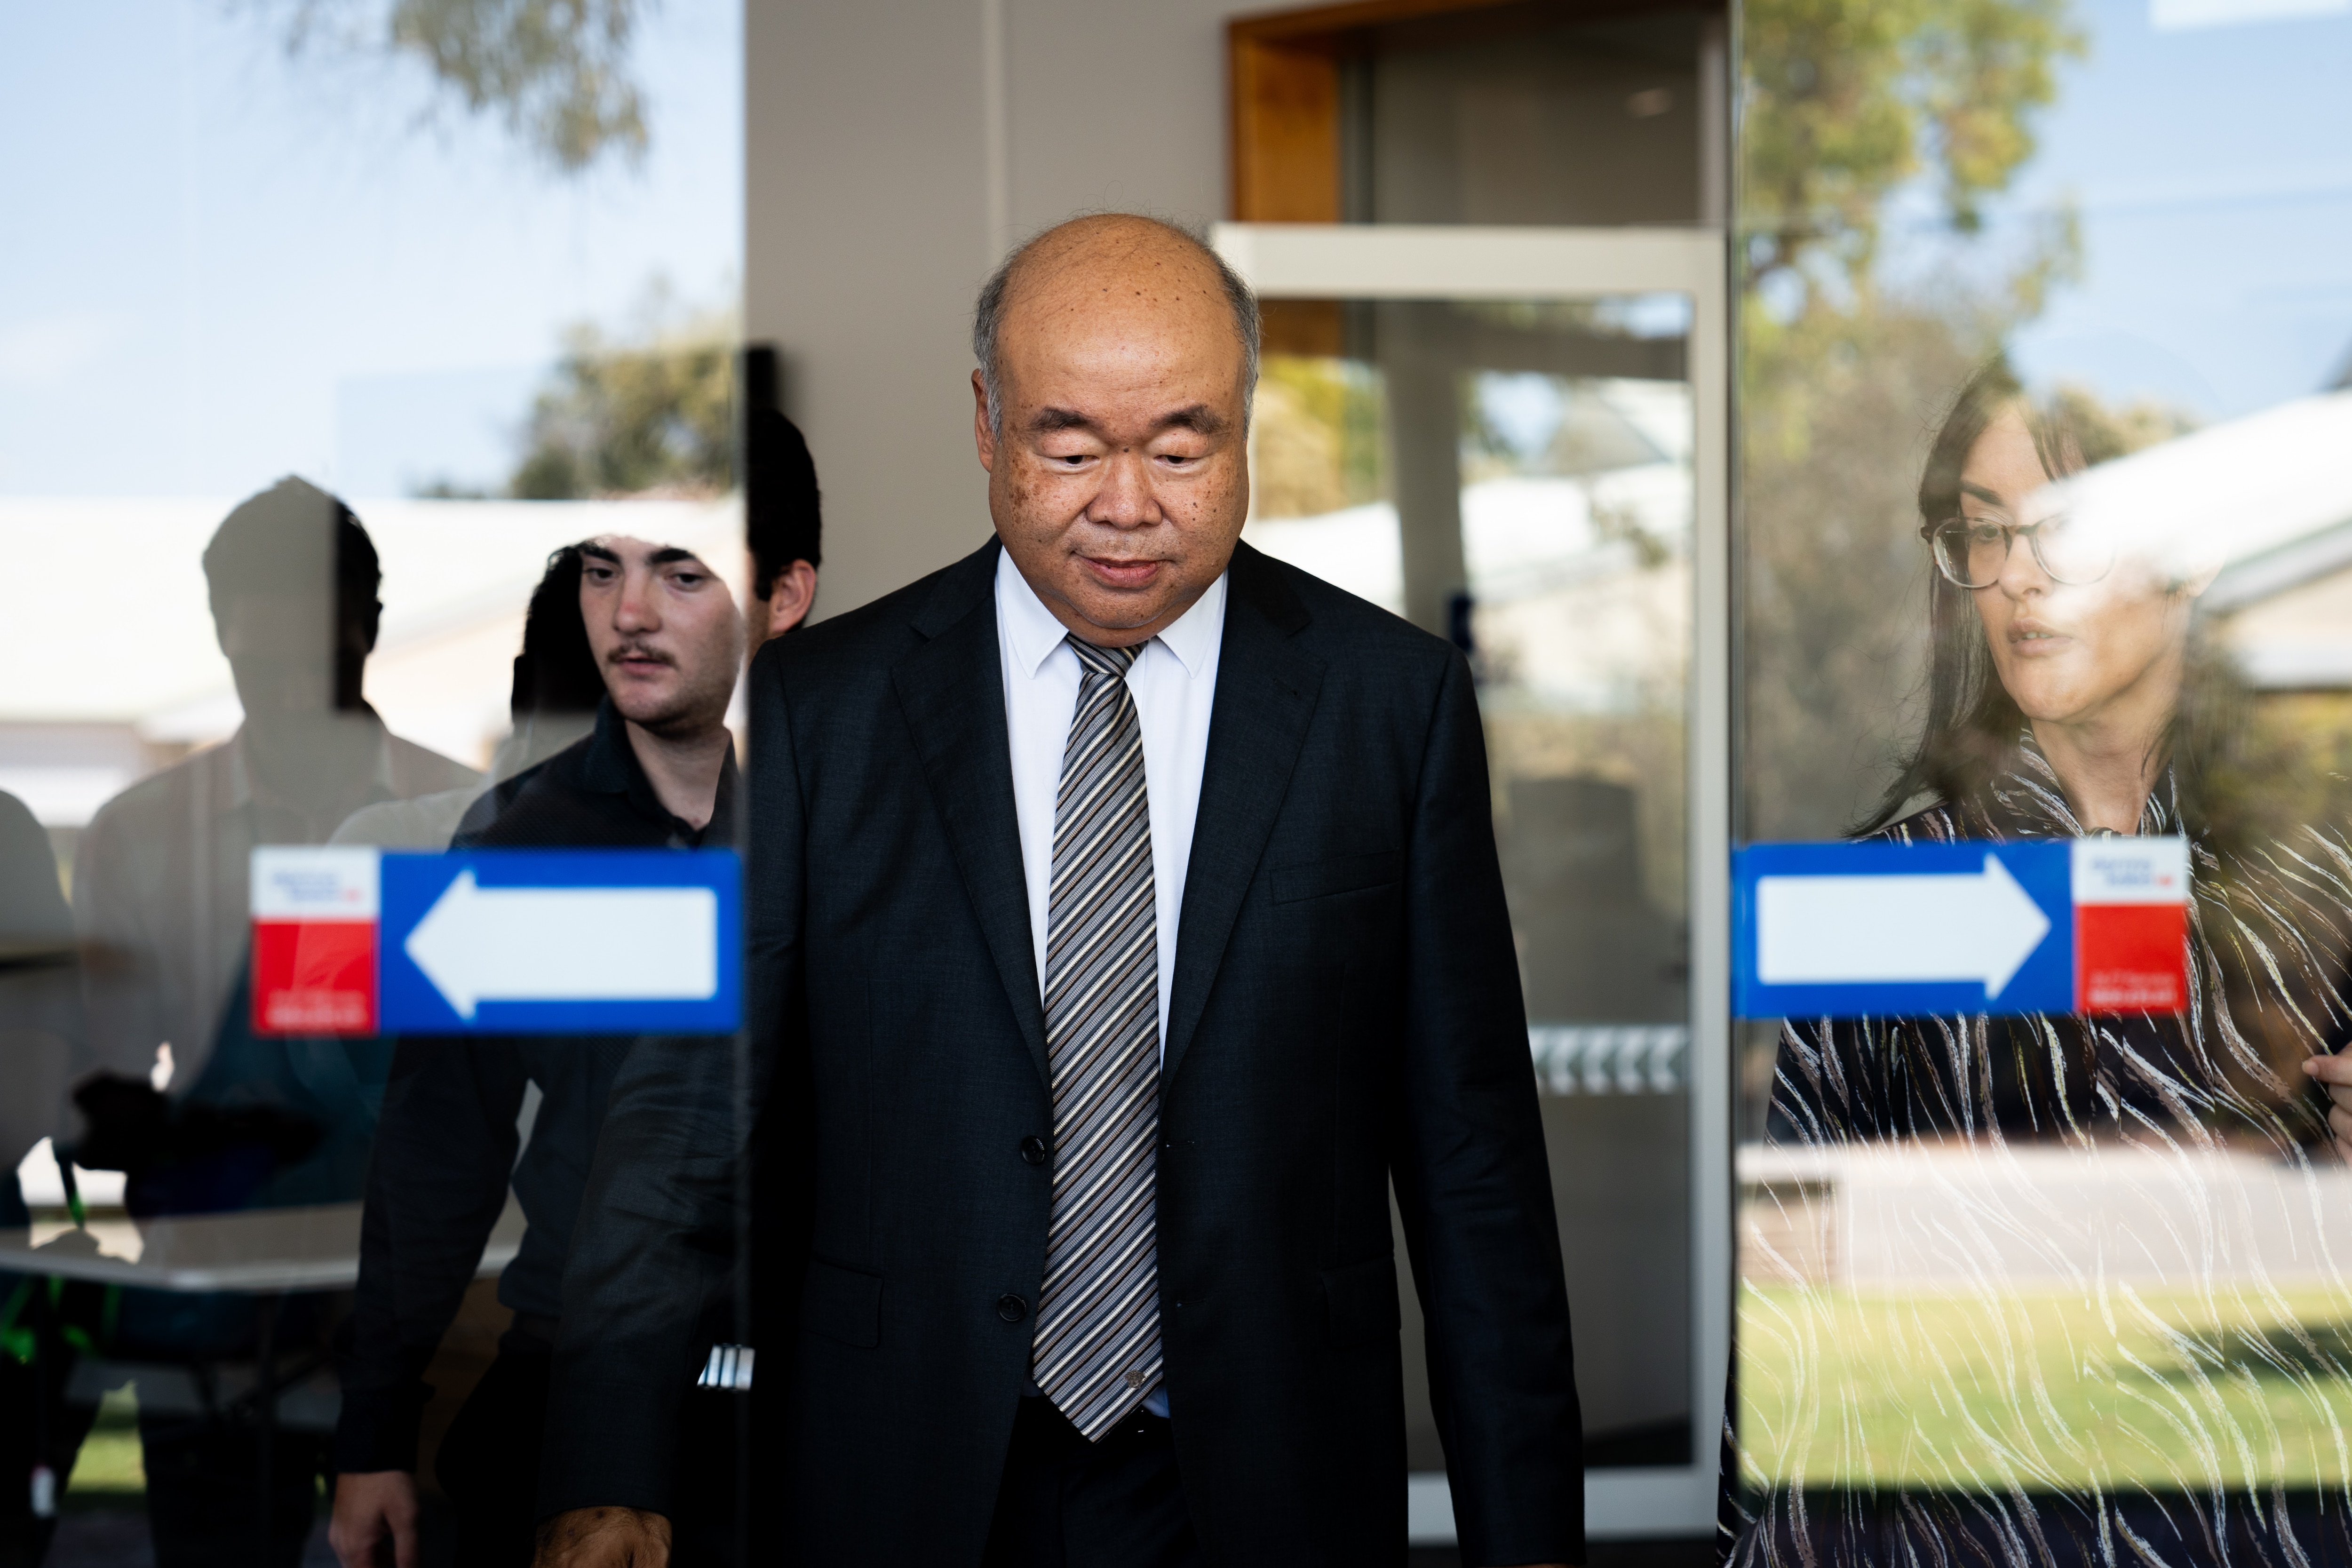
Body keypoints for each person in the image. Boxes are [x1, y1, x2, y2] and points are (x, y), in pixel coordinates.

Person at [533, 214, 1583, 1568]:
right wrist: (610, 1464)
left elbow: (1472, 1164)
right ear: (986, 425)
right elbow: (687, 1116)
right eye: (1072, 446)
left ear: (1247, 423)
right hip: (899, 1470)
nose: (1130, 502)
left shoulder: (1390, 705)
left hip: (1269, 1479)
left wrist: (1534, 1535)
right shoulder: (815, 716)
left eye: (1186, 446)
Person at [1728, 364, 2352, 1565]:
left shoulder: (2324, 871)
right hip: (1969, 1522)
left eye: (2063, 527)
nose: (2013, 574)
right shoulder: (1889, 895)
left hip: (2277, 1519)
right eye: (1981, 531)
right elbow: (1789, 1300)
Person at [329, 523, 818, 1568]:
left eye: (682, 576)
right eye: (606, 578)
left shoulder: (851, 805)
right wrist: (374, 1432)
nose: (632, 614)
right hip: (568, 1360)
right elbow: (438, 1146)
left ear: (784, 596)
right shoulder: (520, 837)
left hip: (811, 1384)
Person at [68, 478, 477, 1567]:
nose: (289, 673)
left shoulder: (477, 819)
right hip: (219, 1306)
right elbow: (99, 1081)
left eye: (315, 636)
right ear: (218, 633)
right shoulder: (139, 833)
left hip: (433, 1297)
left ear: (371, 626)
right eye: (259, 646)